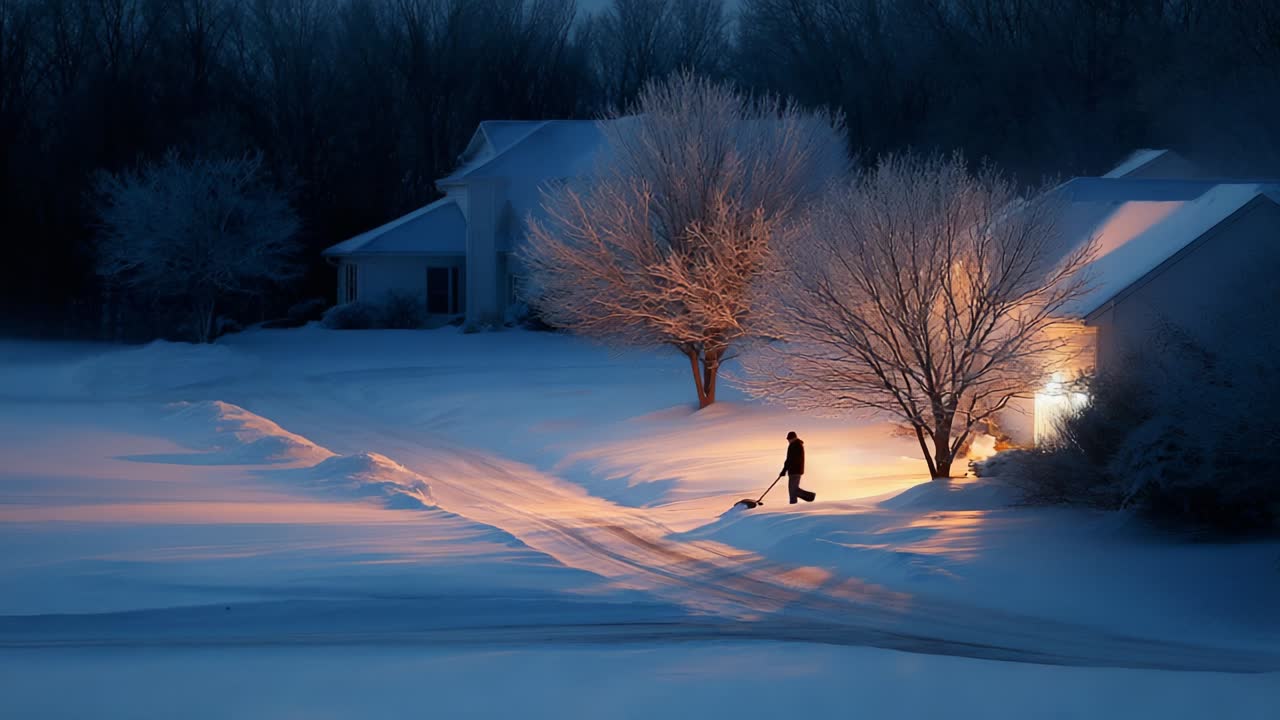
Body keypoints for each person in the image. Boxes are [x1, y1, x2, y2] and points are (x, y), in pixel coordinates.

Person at [780, 431, 816, 504]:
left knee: (793, 490)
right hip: (795, 470)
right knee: (793, 489)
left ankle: (809, 496)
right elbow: (790, 459)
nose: (788, 441)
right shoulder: (796, 445)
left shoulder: (795, 445)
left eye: (789, 439)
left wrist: (784, 470)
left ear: (793, 438)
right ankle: (795, 503)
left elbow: (790, 459)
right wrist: (785, 470)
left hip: (795, 471)